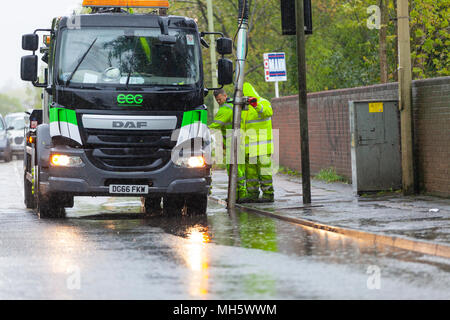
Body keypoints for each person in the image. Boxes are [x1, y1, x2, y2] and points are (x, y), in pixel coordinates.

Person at [208, 89, 248, 202]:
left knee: (233, 170)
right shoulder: (232, 105)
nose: (219, 101)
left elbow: (216, 125)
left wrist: (203, 130)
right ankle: (240, 194)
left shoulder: (225, 109)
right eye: (217, 100)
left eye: (220, 99)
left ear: (225, 96)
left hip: (233, 143)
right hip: (237, 141)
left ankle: (238, 196)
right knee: (238, 168)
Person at [241, 82, 274, 203]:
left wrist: (256, 105)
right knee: (251, 174)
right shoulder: (244, 109)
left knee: (264, 172)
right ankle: (252, 194)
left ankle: (268, 194)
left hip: (262, 147)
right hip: (249, 148)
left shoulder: (263, 102)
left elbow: (268, 112)